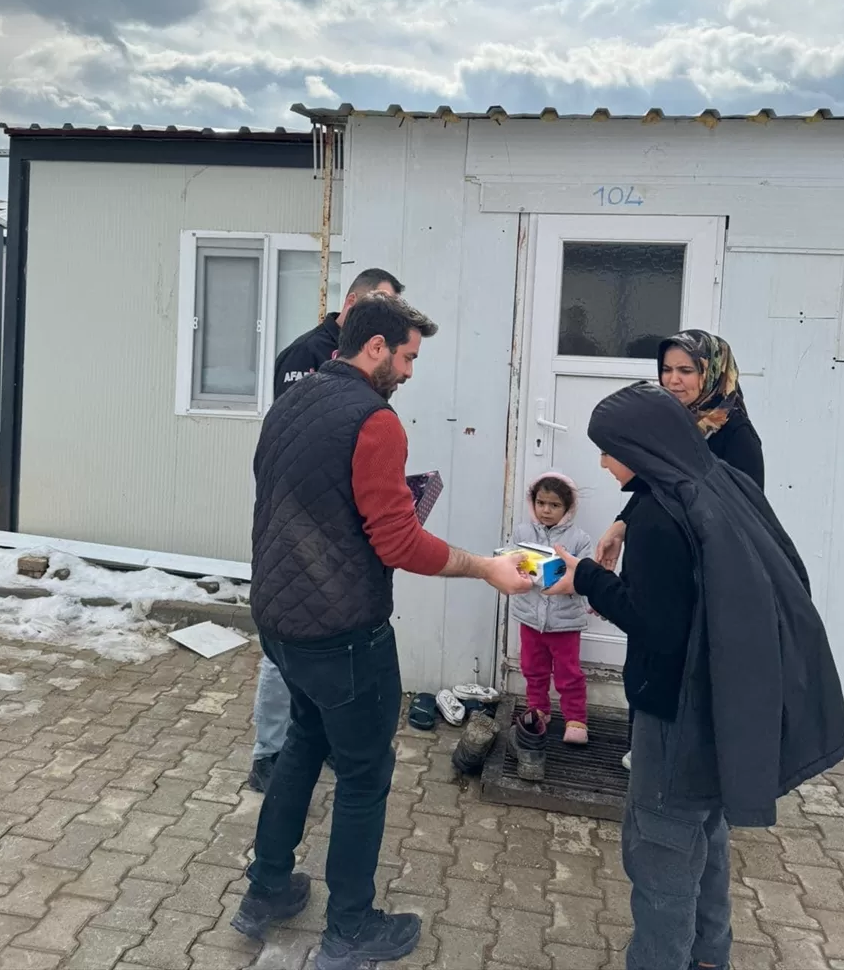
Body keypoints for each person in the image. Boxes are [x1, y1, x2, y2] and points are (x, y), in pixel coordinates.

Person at [233, 292, 532, 970]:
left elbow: (298, 496)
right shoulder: (375, 420)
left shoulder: (292, 401)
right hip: (342, 631)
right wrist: (485, 568)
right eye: (408, 356)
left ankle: (266, 891)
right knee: (366, 775)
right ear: (375, 349)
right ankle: (349, 930)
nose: (410, 370)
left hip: (280, 621)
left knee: (304, 745)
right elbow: (397, 542)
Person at [546, 381, 844, 970]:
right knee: (705, 839)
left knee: (660, 859)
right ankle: (710, 958)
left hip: (673, 712)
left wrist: (585, 577)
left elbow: (656, 626)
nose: (603, 462)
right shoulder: (715, 483)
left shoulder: (662, 521)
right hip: (716, 703)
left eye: (608, 449)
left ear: (640, 447)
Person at [249, 266, 405, 793]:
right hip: (298, 535)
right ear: (355, 305)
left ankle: (319, 745)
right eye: (382, 304)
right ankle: (268, 751)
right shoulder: (305, 356)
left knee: (313, 679)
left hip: (333, 538)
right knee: (292, 651)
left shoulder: (372, 383)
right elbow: (301, 447)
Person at [594, 330, 765, 770]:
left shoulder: (736, 437)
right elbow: (654, 481)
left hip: (696, 582)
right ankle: (643, 743)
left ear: (712, 373)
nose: (673, 380)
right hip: (662, 574)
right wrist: (622, 523)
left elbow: (741, 520)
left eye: (686, 370)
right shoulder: (674, 422)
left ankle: (674, 764)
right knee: (647, 653)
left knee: (678, 667)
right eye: (666, 370)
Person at [508, 473, 593, 780]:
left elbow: (586, 576)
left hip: (565, 621)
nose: (546, 510)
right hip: (530, 618)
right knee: (533, 668)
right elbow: (509, 561)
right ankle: (538, 709)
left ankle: (576, 720)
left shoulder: (579, 539)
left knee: (569, 672)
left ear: (567, 508)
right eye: (541, 503)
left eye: (554, 505)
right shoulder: (522, 531)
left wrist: (575, 584)